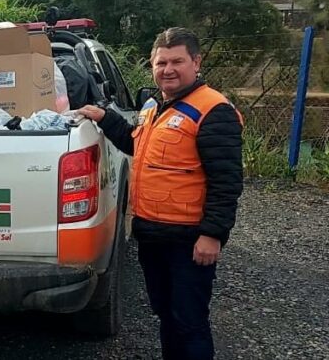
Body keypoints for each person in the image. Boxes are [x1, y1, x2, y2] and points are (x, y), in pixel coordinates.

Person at [78, 28, 243, 360]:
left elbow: (226, 182)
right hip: (152, 235)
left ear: (196, 62)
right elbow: (135, 144)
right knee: (166, 315)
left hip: (188, 241)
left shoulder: (213, 110)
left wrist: (212, 235)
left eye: (177, 61)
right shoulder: (155, 107)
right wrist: (104, 117)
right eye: (161, 62)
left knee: (190, 322)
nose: (168, 69)